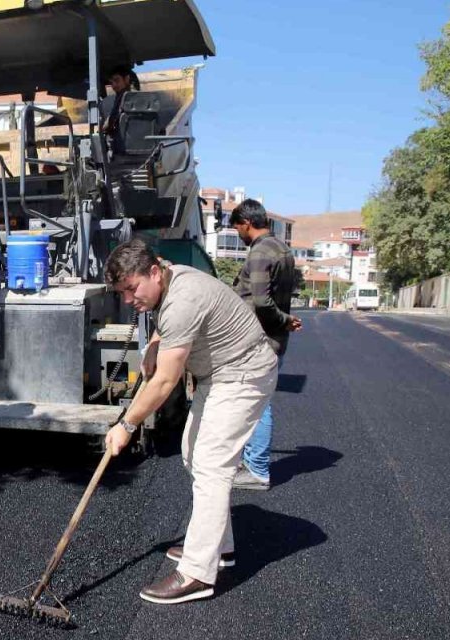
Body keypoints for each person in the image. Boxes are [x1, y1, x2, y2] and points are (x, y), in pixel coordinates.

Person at [103, 238, 277, 604]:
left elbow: (165, 381)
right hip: (219, 373)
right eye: (122, 293)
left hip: (244, 373)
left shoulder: (183, 298)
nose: (128, 300)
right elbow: (164, 318)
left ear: (154, 272)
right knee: (192, 453)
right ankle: (220, 548)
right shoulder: (166, 277)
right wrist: (153, 344)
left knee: (212, 463)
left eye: (131, 289)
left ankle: (198, 573)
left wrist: (126, 425)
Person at [228, 199, 302, 490]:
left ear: (246, 223)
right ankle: (252, 463)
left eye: (237, 228)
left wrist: (283, 320)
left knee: (257, 403)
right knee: (257, 400)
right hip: (274, 338)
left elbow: (261, 301)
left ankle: (257, 469)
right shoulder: (283, 249)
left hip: (259, 339)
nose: (238, 234)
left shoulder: (260, 253)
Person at [102, 64, 140, 156]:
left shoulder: (123, 97)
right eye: (111, 83)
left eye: (116, 80)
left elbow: (109, 124)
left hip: (124, 147)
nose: (114, 85)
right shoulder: (145, 98)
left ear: (126, 79)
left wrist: (102, 129)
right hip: (146, 148)